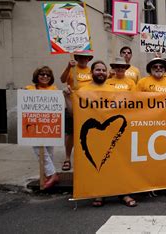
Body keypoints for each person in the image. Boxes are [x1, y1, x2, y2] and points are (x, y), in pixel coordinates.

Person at [70, 61, 137, 207]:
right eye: (97, 70)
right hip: (93, 134)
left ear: (106, 73)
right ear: (91, 72)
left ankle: (124, 193)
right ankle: (99, 194)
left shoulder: (112, 90)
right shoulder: (82, 90)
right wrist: (68, 97)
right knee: (97, 165)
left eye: (103, 70)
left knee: (119, 164)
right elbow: (73, 112)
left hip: (112, 132)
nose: (100, 72)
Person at [25, 66, 59, 189]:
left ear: (51, 78)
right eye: (42, 74)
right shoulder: (29, 89)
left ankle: (47, 174)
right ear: (37, 76)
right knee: (39, 150)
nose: (45, 77)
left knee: (49, 152)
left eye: (47, 75)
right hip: (34, 124)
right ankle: (53, 174)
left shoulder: (54, 89)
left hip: (50, 124)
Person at [60, 52, 93, 171]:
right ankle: (67, 158)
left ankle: (86, 157)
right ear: (77, 58)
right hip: (72, 105)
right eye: (81, 57)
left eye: (86, 57)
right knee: (71, 133)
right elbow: (62, 79)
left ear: (89, 59)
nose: (84, 59)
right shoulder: (72, 68)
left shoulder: (91, 71)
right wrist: (68, 67)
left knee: (88, 132)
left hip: (87, 107)